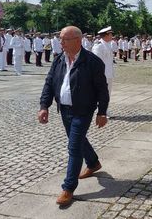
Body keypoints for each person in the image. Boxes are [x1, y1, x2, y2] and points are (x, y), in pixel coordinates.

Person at [38, 26, 109, 207]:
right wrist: (44, 106)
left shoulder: (92, 62)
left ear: (77, 40)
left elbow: (102, 89)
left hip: (83, 110)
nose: (60, 42)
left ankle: (68, 188)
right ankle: (93, 163)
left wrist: (102, 112)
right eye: (60, 39)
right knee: (77, 139)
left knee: (74, 146)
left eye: (64, 39)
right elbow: (49, 83)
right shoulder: (59, 59)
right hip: (65, 110)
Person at [92, 26, 115, 118]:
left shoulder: (108, 44)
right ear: (106, 35)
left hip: (109, 73)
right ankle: (101, 111)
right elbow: (96, 62)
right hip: (102, 74)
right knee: (102, 93)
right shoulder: (99, 46)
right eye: (111, 34)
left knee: (107, 93)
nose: (112, 36)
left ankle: (105, 110)